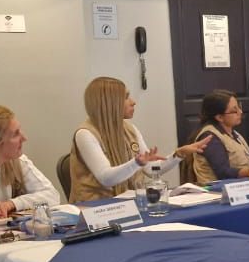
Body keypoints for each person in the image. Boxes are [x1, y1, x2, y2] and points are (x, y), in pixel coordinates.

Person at [69, 77, 210, 203]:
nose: (133, 102)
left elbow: (151, 169)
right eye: (126, 97)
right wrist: (136, 163)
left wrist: (179, 154)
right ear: (110, 103)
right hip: (97, 209)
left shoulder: (130, 129)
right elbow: (106, 178)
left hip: (129, 205)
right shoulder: (86, 134)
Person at [190, 90, 249, 182]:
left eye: (239, 107)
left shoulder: (234, 133)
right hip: (218, 189)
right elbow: (224, 173)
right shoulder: (210, 138)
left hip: (244, 184)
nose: (240, 112)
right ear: (219, 117)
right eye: (235, 110)